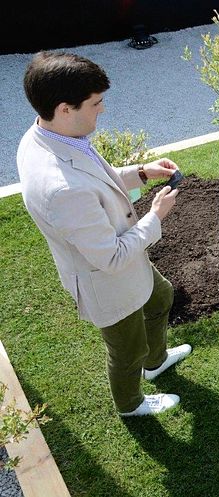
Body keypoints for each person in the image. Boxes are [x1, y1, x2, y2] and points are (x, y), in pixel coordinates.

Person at [16, 52, 191, 417]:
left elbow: (97, 178)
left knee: (160, 298)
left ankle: (155, 362)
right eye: (96, 104)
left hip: (125, 261)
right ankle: (131, 404)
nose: (102, 110)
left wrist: (142, 173)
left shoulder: (48, 134)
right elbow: (110, 257)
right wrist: (155, 216)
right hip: (107, 279)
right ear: (65, 108)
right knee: (126, 351)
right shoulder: (62, 189)